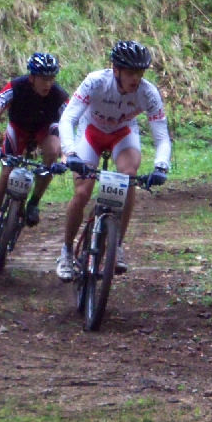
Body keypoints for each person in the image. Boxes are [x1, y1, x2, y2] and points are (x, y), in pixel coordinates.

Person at [55, 40, 171, 280]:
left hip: (123, 133)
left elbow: (161, 136)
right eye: (130, 72)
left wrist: (161, 166)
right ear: (116, 70)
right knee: (82, 192)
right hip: (91, 132)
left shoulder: (148, 93)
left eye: (140, 73)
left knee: (128, 177)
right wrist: (70, 153)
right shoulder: (96, 81)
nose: (136, 78)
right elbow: (68, 118)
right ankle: (66, 250)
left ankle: (116, 244)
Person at [0, 53, 70, 253]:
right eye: (44, 78)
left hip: (44, 129)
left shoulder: (59, 95)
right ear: (32, 77)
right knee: (6, 173)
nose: (48, 83)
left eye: (51, 78)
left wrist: (64, 160)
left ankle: (34, 202)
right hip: (18, 128)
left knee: (52, 152)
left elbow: (69, 130)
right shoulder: (16, 86)